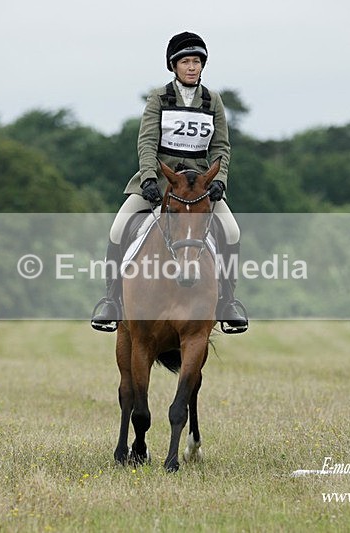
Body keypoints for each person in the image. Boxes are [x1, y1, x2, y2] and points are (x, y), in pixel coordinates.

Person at [91, 31, 248, 334]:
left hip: (199, 186)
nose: (192, 67)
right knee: (117, 228)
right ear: (173, 65)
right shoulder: (159, 97)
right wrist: (149, 177)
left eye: (197, 62)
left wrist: (220, 180)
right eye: (186, 61)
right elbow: (148, 141)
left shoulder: (212, 100)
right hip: (161, 182)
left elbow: (221, 147)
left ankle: (227, 301)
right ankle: (112, 301)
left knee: (231, 231)